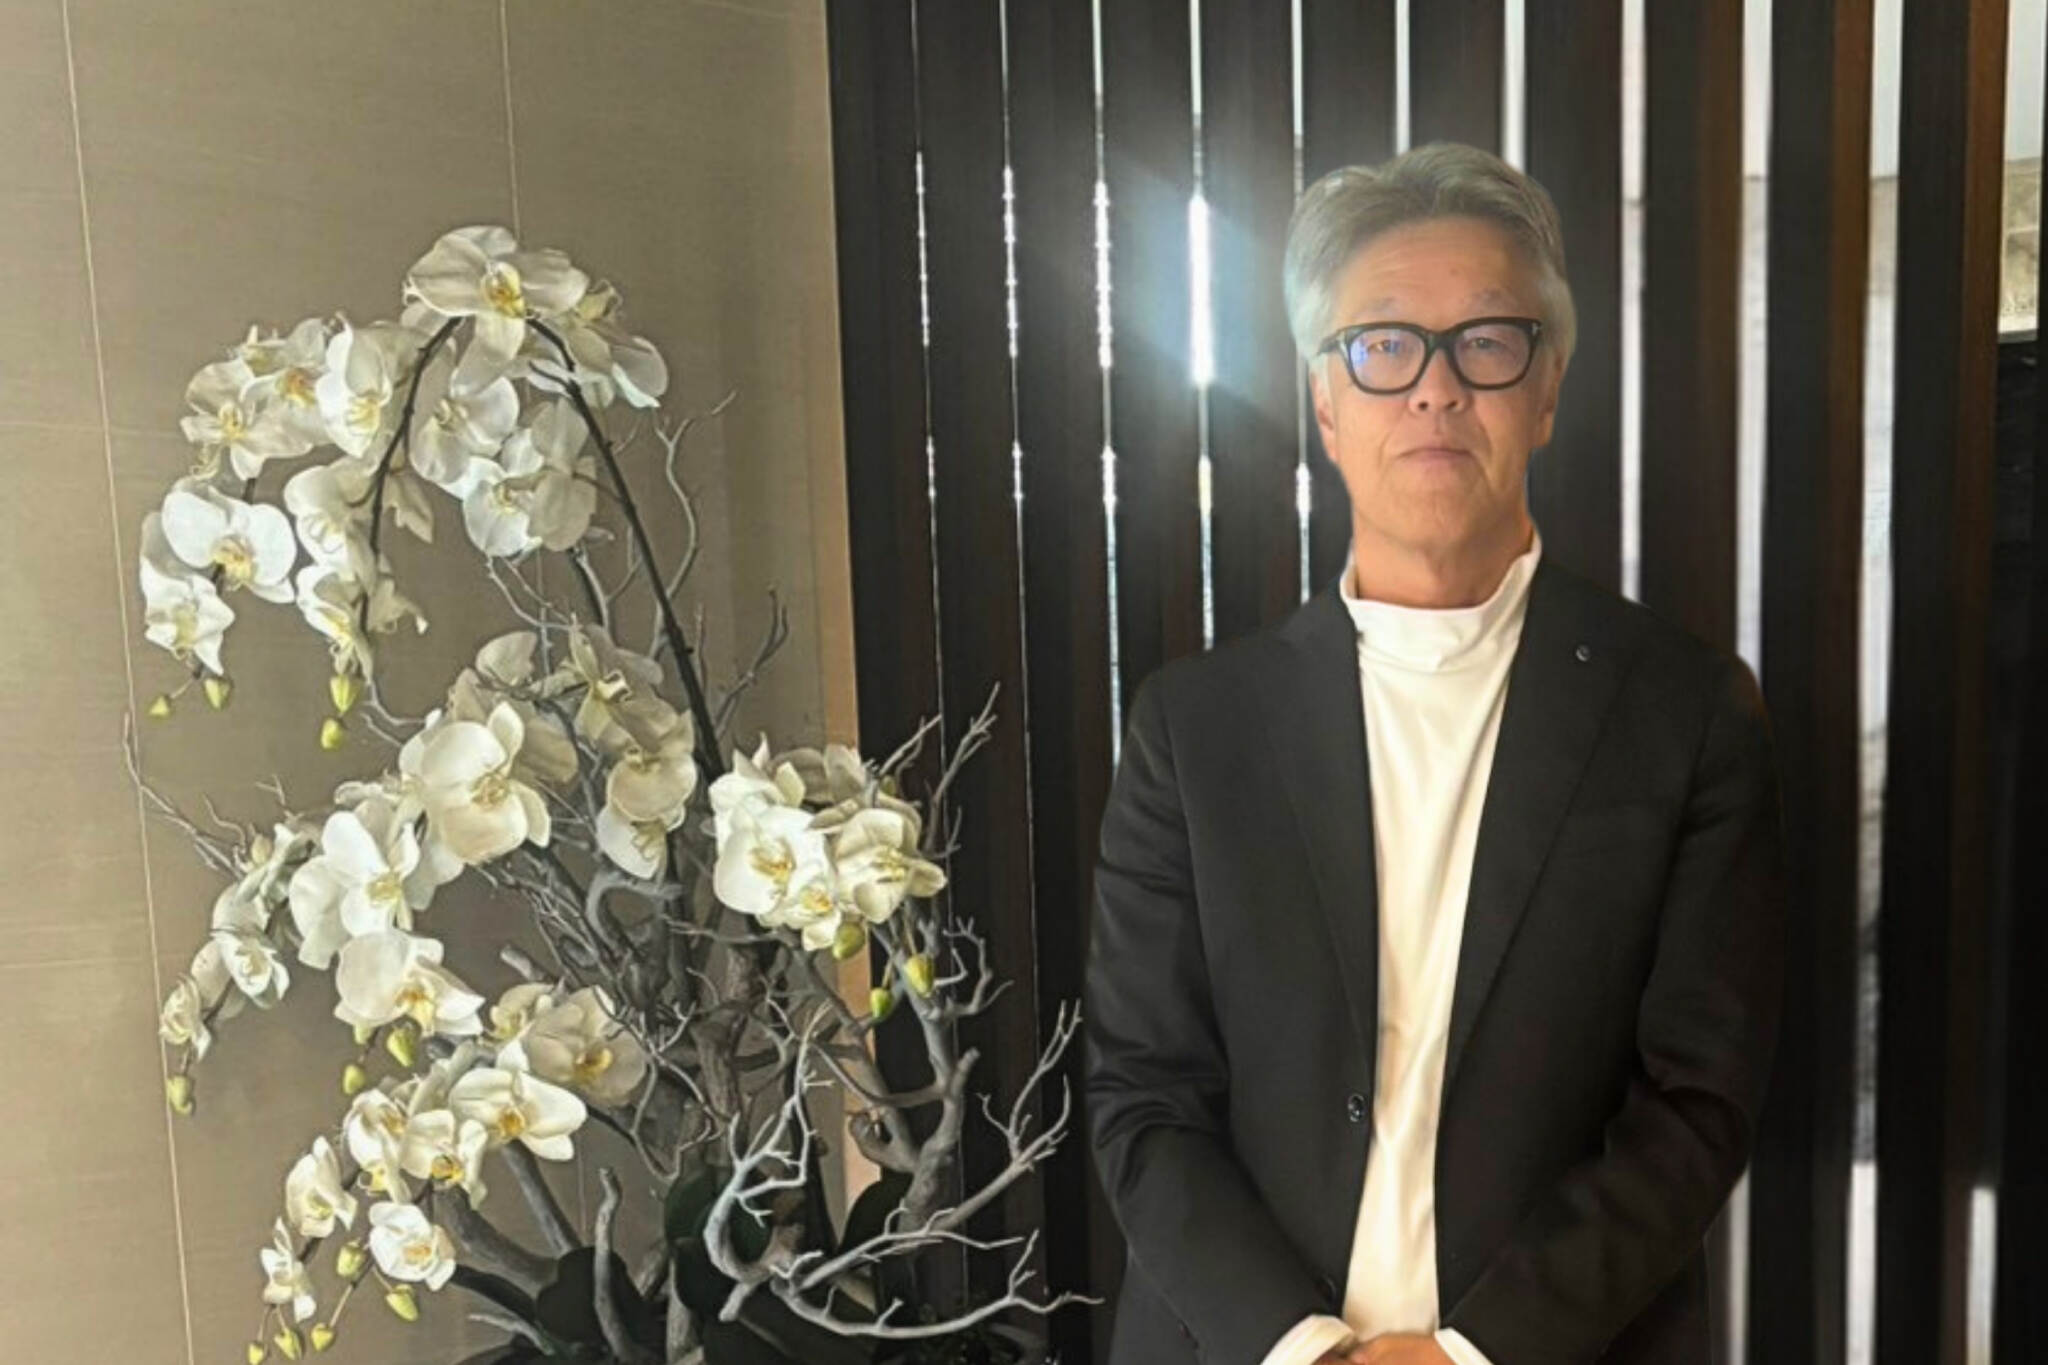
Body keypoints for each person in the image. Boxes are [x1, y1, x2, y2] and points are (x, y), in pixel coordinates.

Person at [1083, 142, 1787, 1365]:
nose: (1434, 388)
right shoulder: (1192, 729)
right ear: (1325, 401)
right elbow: (1143, 1096)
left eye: (1486, 341)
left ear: (1546, 387)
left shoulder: (1684, 713)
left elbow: (1693, 1102)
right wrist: (1303, 1346)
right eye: (1382, 345)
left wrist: (1473, 1351)